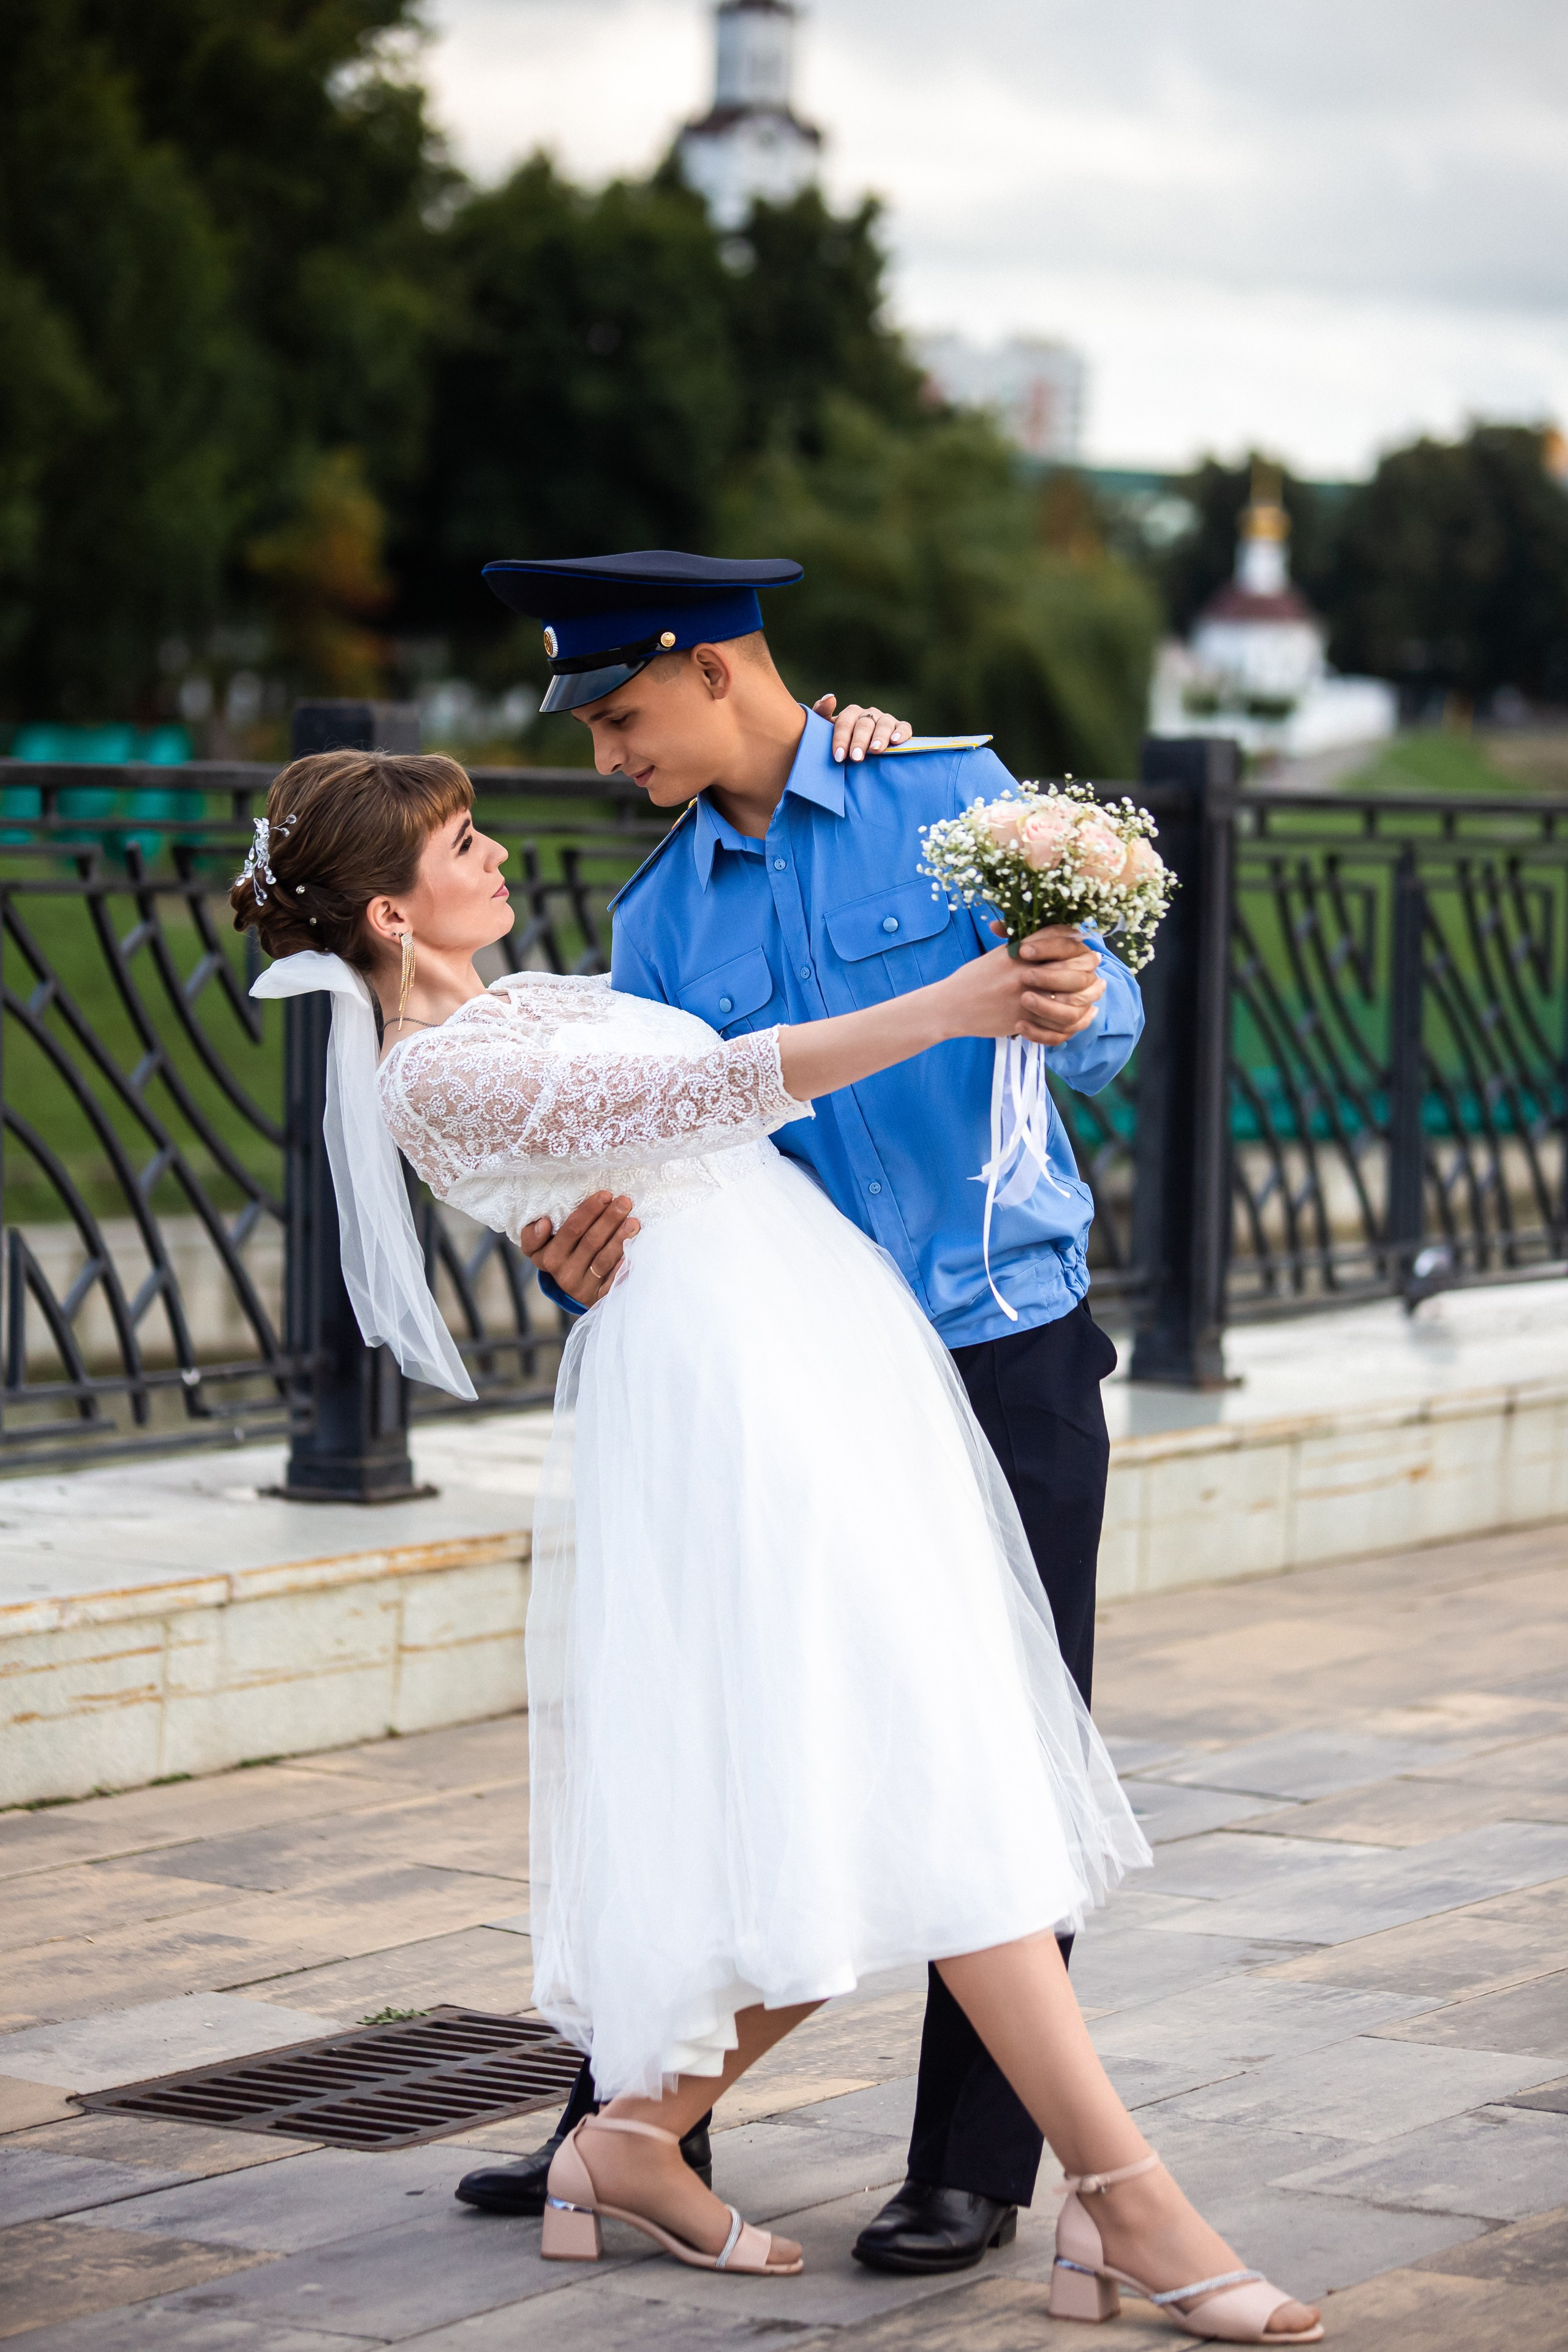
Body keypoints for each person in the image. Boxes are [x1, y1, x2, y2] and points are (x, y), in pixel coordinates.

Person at [234, 746, 1322, 2344]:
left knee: (905, 1786)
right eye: (467, 842)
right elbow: (719, 1087)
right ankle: (1124, 2195)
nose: (503, 848)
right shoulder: (432, 1071)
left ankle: (634, 2139)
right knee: (920, 1776)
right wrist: (949, 1006)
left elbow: (681, 1071)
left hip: (815, 1348)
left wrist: (873, 745)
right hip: (736, 1394)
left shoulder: (519, 1001)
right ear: (394, 912)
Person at [464, 551, 1133, 2277]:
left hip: (1001, 1345)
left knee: (1003, 1746)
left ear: (711, 669)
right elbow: (649, 1153)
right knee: (732, 1726)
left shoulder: (948, 795)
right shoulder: (659, 919)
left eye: (621, 715)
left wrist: (1076, 995)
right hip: (804, 1384)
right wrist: (580, 1250)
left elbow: (1107, 1021)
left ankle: (976, 2169)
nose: (609, 756)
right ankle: (632, 2114)